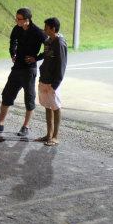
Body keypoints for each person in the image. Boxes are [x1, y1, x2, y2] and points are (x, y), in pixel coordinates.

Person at [0, 7, 47, 136]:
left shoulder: (38, 32)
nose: (16, 21)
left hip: (29, 69)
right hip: (17, 68)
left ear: (27, 20)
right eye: (16, 18)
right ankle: (0, 124)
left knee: (29, 98)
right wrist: (13, 53)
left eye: (19, 19)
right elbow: (13, 41)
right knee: (7, 95)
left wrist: (36, 58)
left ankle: (25, 127)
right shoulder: (17, 29)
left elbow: (49, 47)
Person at [36, 17, 68, 146]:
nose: (44, 30)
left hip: (53, 82)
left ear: (53, 29)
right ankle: (48, 135)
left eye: (46, 28)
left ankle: (55, 137)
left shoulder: (60, 43)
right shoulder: (48, 41)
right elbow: (45, 55)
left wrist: (55, 84)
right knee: (47, 106)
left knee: (56, 107)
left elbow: (62, 65)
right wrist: (35, 59)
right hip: (44, 78)